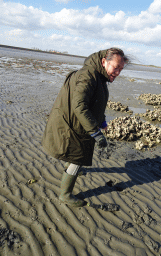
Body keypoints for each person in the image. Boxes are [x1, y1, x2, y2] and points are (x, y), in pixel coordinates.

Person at [42, 48, 130, 207]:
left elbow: (96, 103)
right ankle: (65, 194)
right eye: (115, 67)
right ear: (104, 62)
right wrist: (95, 132)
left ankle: (72, 170)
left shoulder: (99, 77)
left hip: (79, 122)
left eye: (120, 69)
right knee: (78, 157)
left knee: (78, 156)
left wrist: (102, 122)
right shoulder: (88, 76)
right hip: (71, 124)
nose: (117, 72)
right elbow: (80, 106)